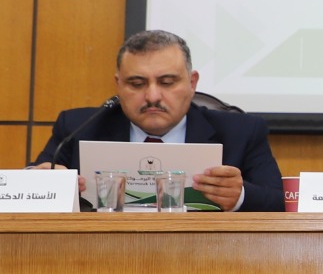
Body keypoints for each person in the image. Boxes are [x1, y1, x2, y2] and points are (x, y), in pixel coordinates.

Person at [29, 29, 285, 211]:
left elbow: (279, 202)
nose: (152, 96)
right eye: (137, 83)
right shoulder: (78, 128)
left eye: (167, 82)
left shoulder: (241, 132)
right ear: (118, 85)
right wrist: (40, 183)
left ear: (192, 83)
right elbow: (26, 187)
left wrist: (239, 196)